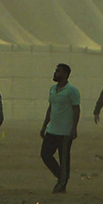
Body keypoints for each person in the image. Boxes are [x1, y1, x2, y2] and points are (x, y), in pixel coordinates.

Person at [41, 63, 82, 192]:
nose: (55, 73)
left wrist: (74, 128)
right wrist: (44, 125)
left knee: (63, 158)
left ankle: (62, 184)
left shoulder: (72, 91)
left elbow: (76, 109)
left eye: (58, 71)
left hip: (64, 132)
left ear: (65, 74)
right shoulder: (53, 89)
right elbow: (51, 107)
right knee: (45, 154)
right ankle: (61, 176)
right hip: (52, 130)